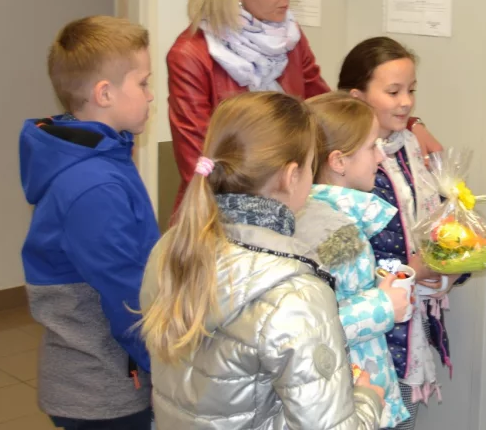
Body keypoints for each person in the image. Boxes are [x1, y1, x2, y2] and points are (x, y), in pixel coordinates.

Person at [139, 91, 384, 429]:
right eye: (313, 166)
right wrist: (368, 400)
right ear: (291, 175)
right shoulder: (296, 295)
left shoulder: (171, 250)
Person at [167, 0, 441, 214]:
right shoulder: (191, 55)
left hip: (290, 202)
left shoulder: (288, 37)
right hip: (219, 217)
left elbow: (330, 115)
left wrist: (412, 125)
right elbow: (199, 166)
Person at [19, 16, 158, 429]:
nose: (152, 97)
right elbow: (126, 295)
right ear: (105, 93)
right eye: (144, 83)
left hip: (107, 379)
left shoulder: (103, 157)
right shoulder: (93, 186)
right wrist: (173, 367)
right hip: (103, 392)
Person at [339, 37, 466, 430]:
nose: (406, 102)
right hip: (364, 336)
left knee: (402, 415)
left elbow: (431, 223)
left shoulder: (412, 147)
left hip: (411, 326)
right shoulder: (345, 164)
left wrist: (454, 256)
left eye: (411, 90)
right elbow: (344, 262)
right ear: (357, 96)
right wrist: (415, 269)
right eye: (392, 91)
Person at [296, 92, 412, 427]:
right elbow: (312, 329)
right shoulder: (334, 232)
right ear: (338, 161)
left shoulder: (338, 219)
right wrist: (385, 305)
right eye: (372, 146)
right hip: (345, 399)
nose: (381, 156)